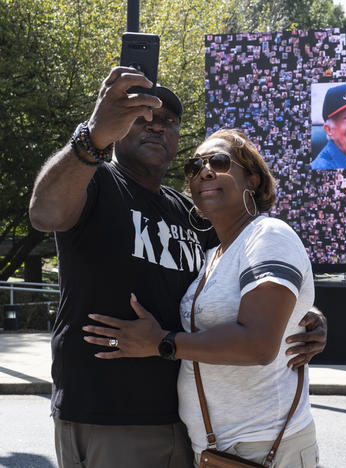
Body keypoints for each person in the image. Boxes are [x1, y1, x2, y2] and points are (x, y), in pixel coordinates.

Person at [28, 67, 327, 468]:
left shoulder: (195, 219)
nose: (156, 126)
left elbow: (245, 288)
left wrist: (303, 316)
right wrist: (93, 134)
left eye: (169, 121)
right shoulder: (92, 182)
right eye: (141, 117)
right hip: (98, 412)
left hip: (175, 424)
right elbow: (44, 212)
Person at [84, 128, 319, 467]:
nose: (205, 171)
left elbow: (258, 344)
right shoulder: (213, 255)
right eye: (194, 166)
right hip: (216, 451)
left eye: (220, 161)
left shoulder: (269, 234)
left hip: (264, 448)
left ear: (252, 179)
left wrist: (163, 343)